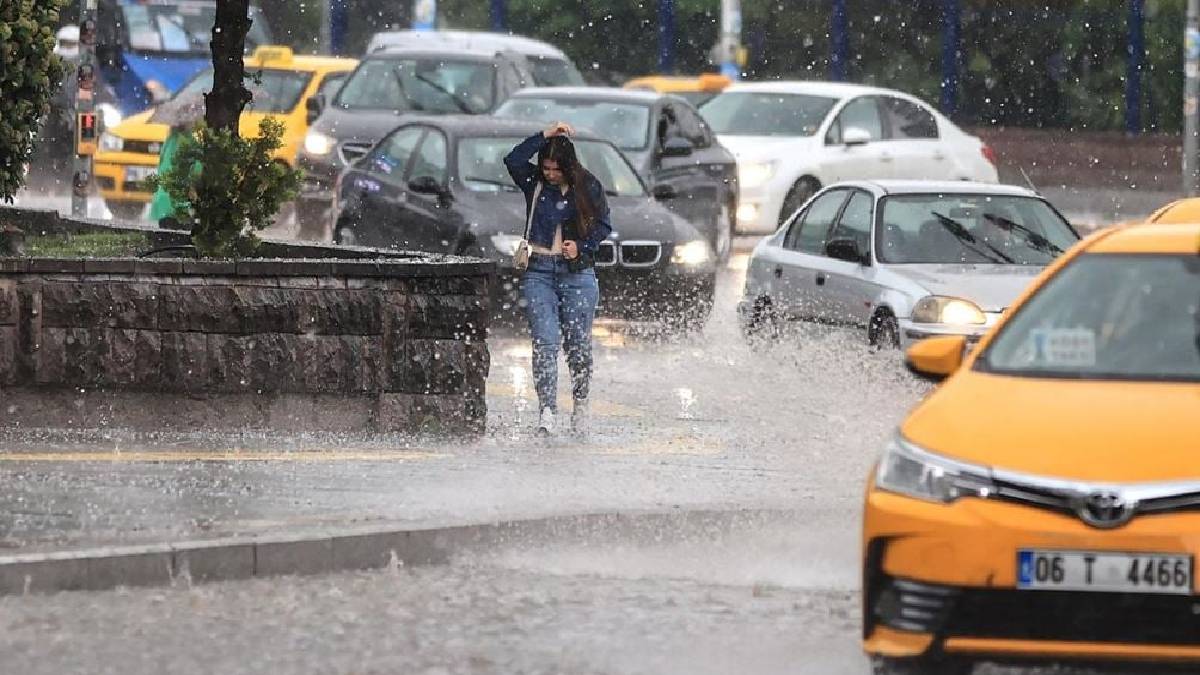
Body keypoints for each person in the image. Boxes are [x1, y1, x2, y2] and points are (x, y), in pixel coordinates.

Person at [505, 122, 613, 436]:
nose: (550, 174)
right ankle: (547, 410)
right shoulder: (534, 184)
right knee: (545, 343)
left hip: (577, 274)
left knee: (578, 345)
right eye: (546, 167)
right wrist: (544, 136)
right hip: (538, 271)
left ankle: (580, 403)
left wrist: (582, 245)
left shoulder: (587, 186)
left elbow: (605, 225)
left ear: (568, 166)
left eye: (556, 169)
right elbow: (512, 160)